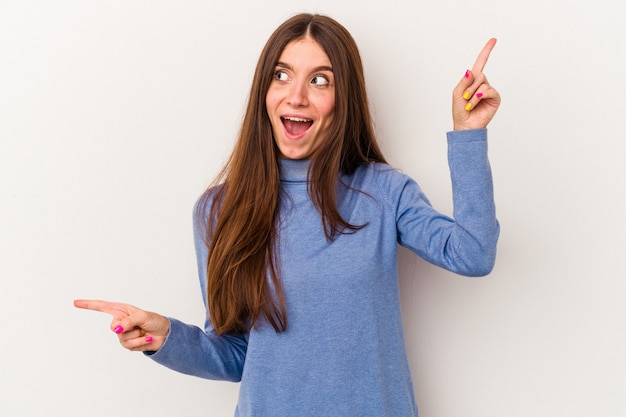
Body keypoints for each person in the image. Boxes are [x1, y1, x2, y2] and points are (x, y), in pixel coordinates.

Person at [74, 13, 500, 417]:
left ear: (342, 99)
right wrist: (166, 336)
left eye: (320, 80)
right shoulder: (218, 210)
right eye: (281, 75)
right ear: (265, 91)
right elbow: (238, 355)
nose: (296, 95)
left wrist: (468, 135)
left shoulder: (383, 191)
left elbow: (473, 254)